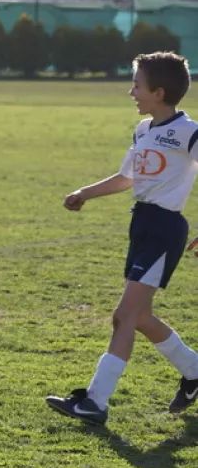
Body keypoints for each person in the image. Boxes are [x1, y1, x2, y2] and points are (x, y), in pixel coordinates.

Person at [47, 51, 198, 425]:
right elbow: (127, 178)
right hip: (142, 224)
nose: (131, 92)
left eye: (137, 85)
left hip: (165, 229)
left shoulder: (188, 132)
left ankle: (96, 401)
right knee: (141, 316)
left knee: (124, 316)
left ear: (159, 92)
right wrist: (85, 193)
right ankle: (195, 371)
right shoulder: (143, 131)